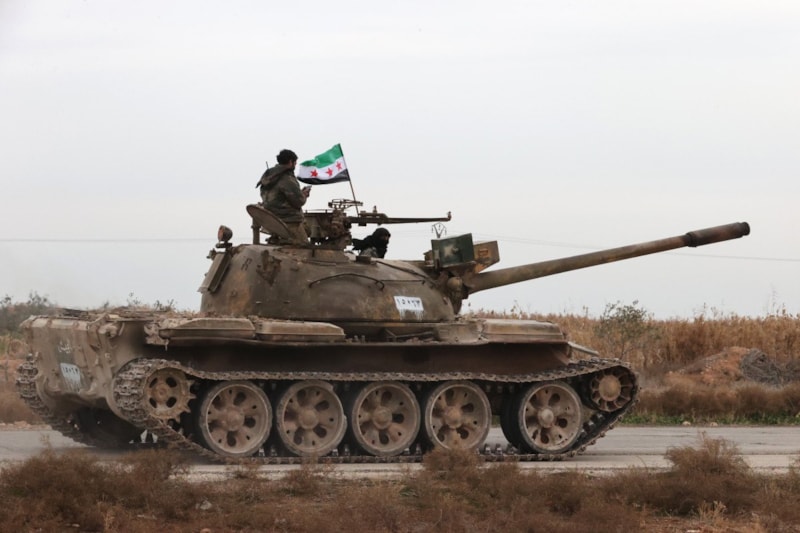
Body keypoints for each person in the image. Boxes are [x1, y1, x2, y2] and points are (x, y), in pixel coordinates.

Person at [257, 149, 311, 244]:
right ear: (290, 162)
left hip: (272, 220)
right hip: (289, 221)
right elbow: (299, 202)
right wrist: (304, 195)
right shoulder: (287, 178)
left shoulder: (269, 176)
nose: (295, 165)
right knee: (303, 247)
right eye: (295, 163)